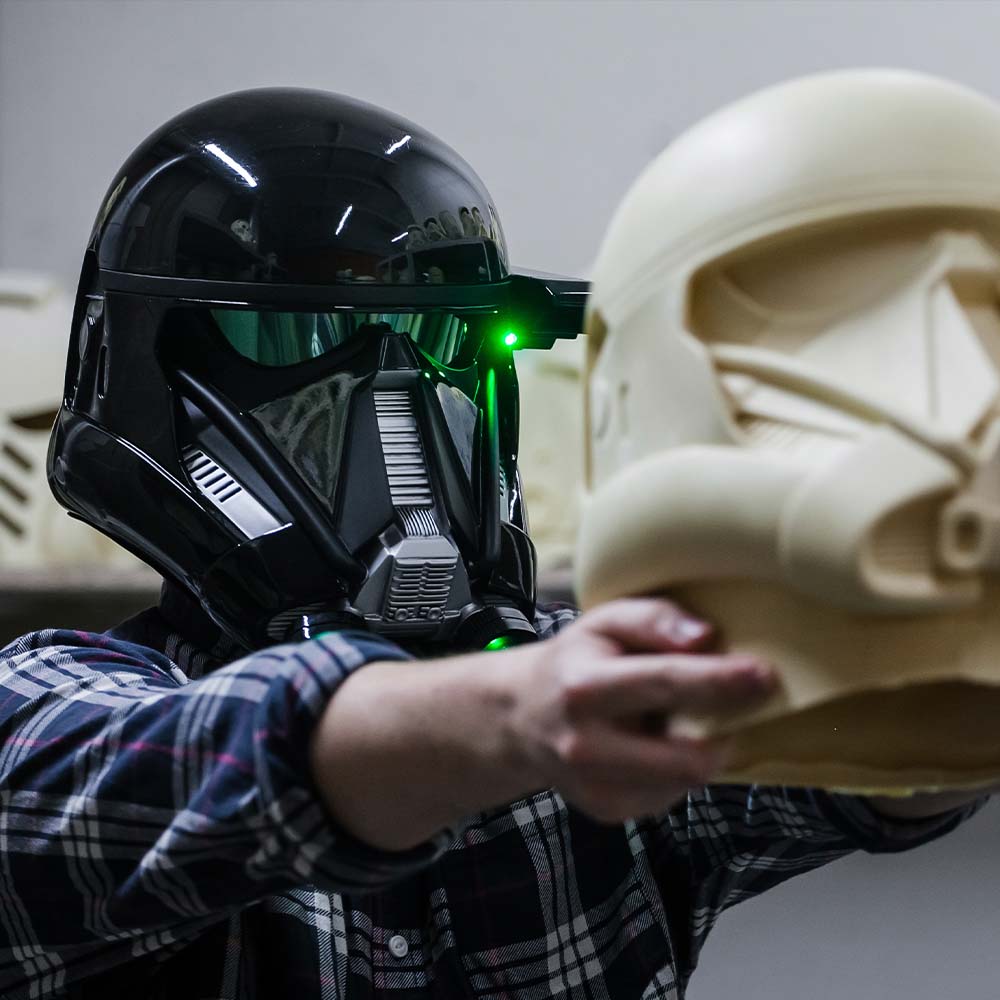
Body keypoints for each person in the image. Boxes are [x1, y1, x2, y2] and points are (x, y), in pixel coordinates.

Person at [0, 87, 981, 1000]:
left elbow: (880, 754)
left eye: (453, 349)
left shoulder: (590, 711)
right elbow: (180, 772)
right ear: (155, 380)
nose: (409, 408)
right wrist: (518, 713)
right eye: (301, 347)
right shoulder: (47, 711)